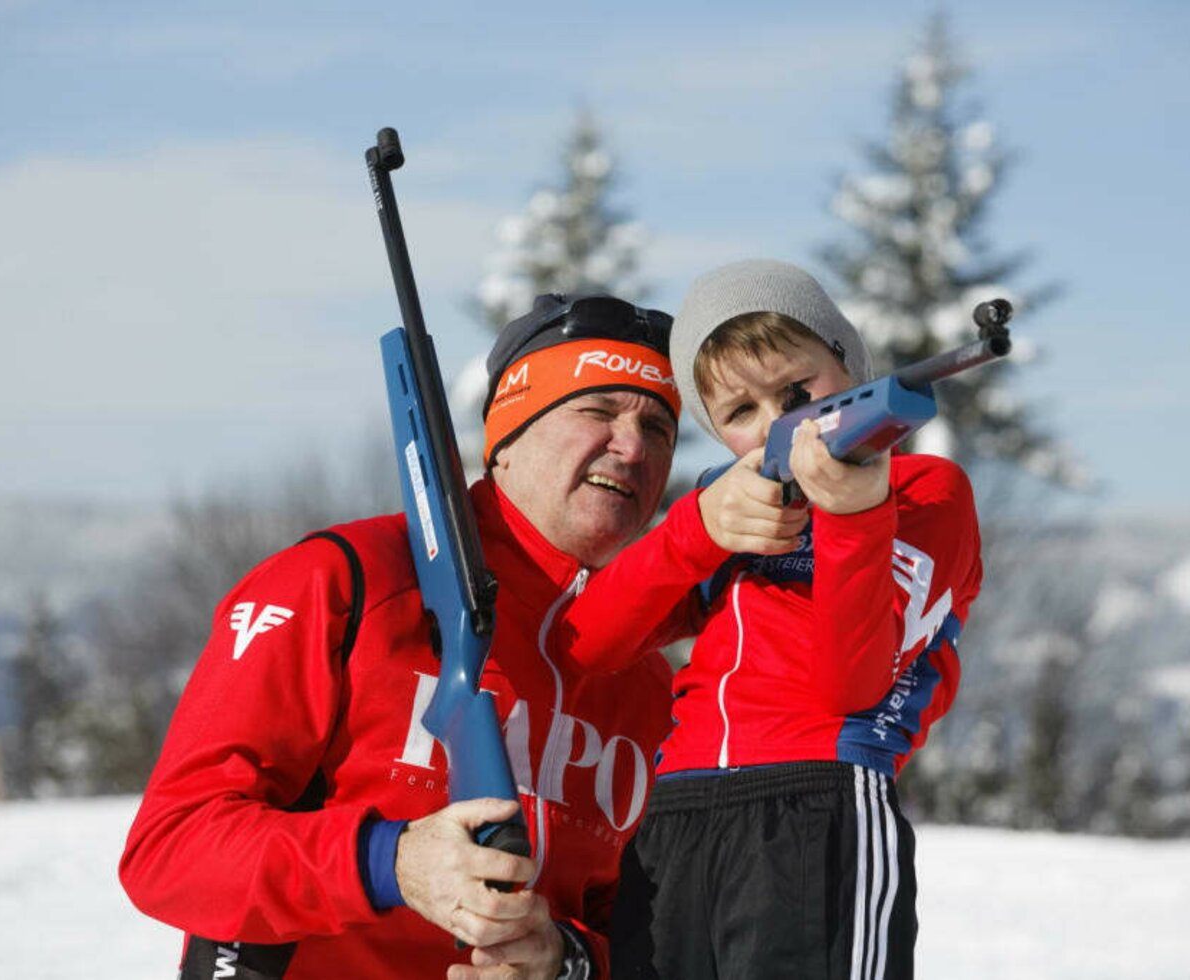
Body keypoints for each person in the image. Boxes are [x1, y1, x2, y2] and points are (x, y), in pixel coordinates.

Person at [120, 294, 700, 979]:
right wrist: (389, 862)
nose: (632, 446)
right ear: (507, 439)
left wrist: (566, 960)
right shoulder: (345, 580)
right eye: (598, 410)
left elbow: (645, 939)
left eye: (659, 427)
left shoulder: (652, 688)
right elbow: (170, 852)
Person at [553, 260, 983, 979]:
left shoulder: (925, 494)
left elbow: (851, 683)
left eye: (795, 390)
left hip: (817, 805)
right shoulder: (733, 509)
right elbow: (589, 640)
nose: (777, 423)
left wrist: (854, 516)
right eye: (739, 413)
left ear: (850, 367)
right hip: (674, 819)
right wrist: (696, 531)